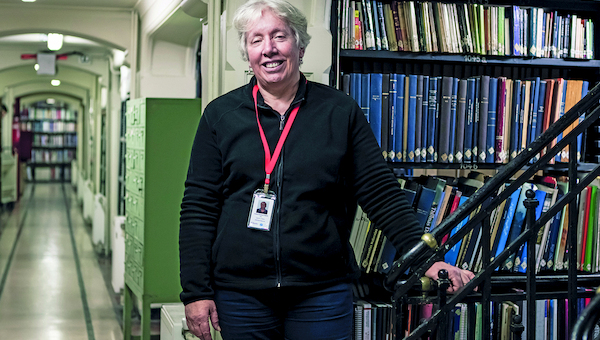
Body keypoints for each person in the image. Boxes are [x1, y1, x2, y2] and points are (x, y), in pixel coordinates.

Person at [179, 1, 475, 339]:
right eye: (256, 40)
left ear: (300, 46)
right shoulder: (220, 116)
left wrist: (424, 259)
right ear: (247, 52)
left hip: (320, 291)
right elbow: (199, 208)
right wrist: (196, 291)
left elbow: (380, 192)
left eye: (279, 36)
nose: (269, 49)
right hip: (241, 294)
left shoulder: (340, 111)